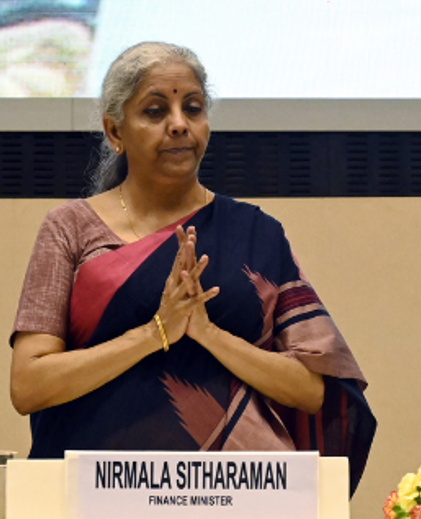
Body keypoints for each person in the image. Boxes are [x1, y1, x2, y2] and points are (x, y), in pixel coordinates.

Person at [9, 42, 376, 494]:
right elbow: (29, 385)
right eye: (155, 111)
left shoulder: (257, 233)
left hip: (236, 494)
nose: (179, 125)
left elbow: (313, 391)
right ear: (114, 131)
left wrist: (207, 333)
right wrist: (153, 333)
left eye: (194, 108)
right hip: (94, 495)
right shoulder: (69, 228)